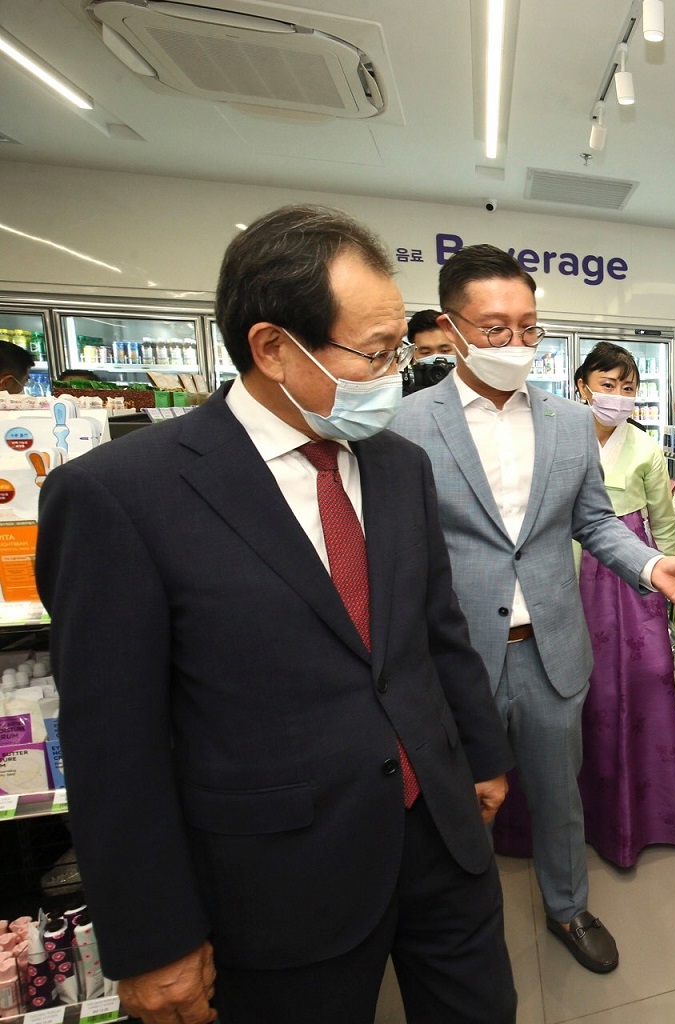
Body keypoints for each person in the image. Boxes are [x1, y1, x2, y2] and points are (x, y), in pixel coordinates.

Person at [34, 205, 518, 1024]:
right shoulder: (123, 495)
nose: (394, 372)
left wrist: (481, 754)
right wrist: (151, 936)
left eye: (399, 347)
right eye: (374, 352)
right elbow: (114, 738)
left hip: (440, 833)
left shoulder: (398, 465)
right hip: (283, 877)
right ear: (272, 348)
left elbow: (436, 631)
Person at [391, 244, 675, 976]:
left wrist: (650, 563)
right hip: (456, 657)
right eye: (493, 329)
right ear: (450, 328)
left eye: (529, 328)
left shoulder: (570, 424)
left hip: (552, 647)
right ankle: (456, 929)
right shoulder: (404, 426)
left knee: (557, 791)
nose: (516, 345)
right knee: (453, 802)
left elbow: (595, 522)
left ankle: (568, 907)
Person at [493, 341, 675, 870]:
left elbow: (664, 525)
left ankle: (633, 819)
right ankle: (545, 823)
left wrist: (667, 580)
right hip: (559, 572)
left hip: (627, 582)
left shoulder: (645, 450)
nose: (619, 397)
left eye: (629, 388)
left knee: (634, 685)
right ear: (583, 386)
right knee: (557, 693)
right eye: (609, 385)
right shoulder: (553, 436)